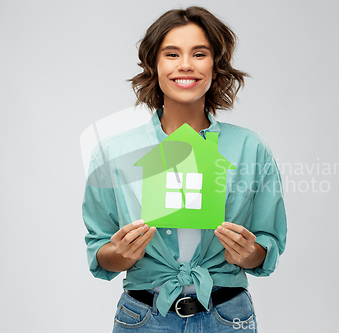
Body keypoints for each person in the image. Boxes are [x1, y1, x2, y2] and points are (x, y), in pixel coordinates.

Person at [82, 6, 287, 332]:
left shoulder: (251, 148)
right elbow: (99, 250)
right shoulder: (113, 153)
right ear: (155, 64)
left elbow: (267, 245)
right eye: (172, 54)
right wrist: (120, 255)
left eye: (199, 53)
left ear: (216, 66)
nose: (186, 65)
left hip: (227, 316)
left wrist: (249, 254)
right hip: (144, 318)